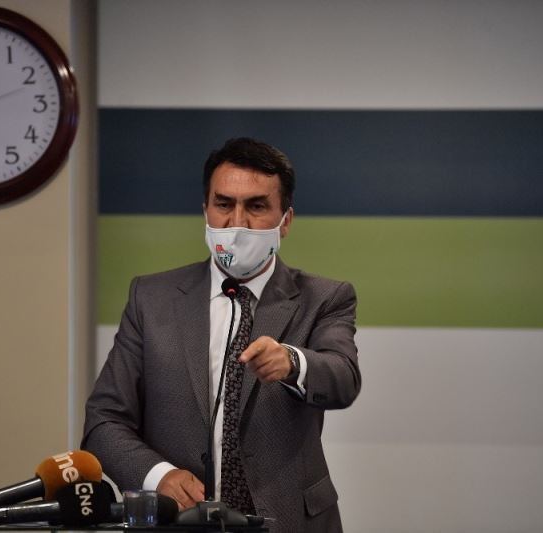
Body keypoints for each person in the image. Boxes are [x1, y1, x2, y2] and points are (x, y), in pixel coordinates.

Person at [82, 137, 360, 533]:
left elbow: (343, 378)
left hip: (289, 521)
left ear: (285, 221)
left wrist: (293, 362)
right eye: (224, 204)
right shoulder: (151, 298)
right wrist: (158, 475)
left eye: (257, 206)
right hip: (179, 521)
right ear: (205, 210)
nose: (237, 223)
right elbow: (104, 421)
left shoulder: (324, 298)